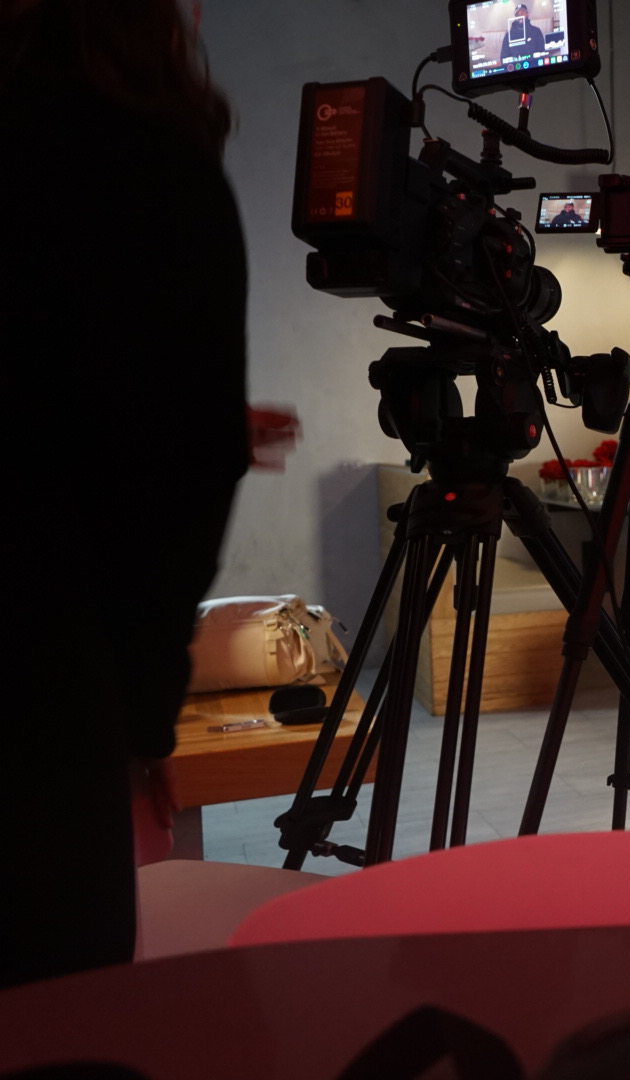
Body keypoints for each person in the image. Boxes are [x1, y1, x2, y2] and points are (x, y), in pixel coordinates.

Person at [2, 0, 251, 987]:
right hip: (38, 713)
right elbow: (172, 482)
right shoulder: (147, 165)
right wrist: (146, 719)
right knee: (58, 1020)